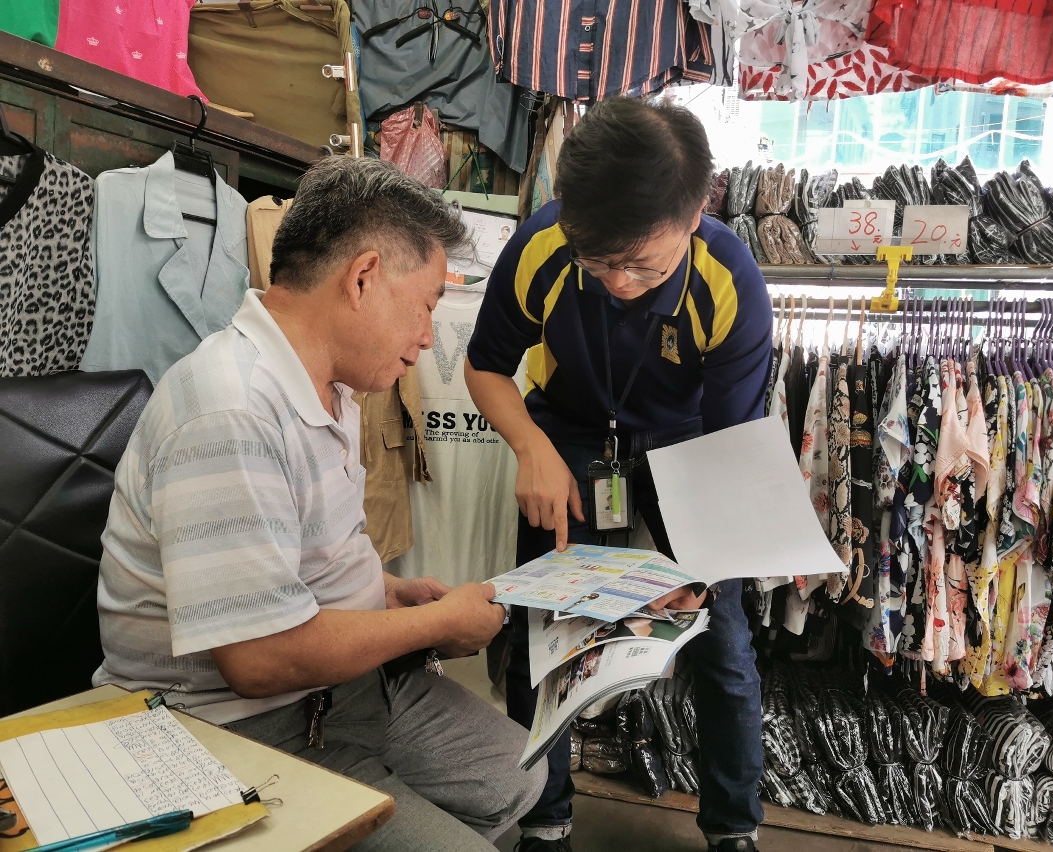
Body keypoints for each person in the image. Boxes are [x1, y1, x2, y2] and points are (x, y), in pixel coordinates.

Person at [93, 156, 546, 852]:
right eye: (427, 305)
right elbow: (260, 659)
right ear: (362, 279)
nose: (430, 336)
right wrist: (430, 624)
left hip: (343, 690)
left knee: (516, 775)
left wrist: (387, 591)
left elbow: (295, 555)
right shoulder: (232, 409)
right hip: (234, 724)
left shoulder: (329, 388)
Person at [466, 96, 773, 852]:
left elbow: (728, 447)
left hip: (688, 442)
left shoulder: (729, 280)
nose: (620, 283)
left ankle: (733, 826)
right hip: (567, 431)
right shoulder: (544, 245)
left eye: (643, 264)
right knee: (546, 627)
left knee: (721, 636)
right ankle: (543, 818)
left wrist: (702, 565)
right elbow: (485, 366)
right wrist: (530, 448)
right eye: (599, 263)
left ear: (696, 213)